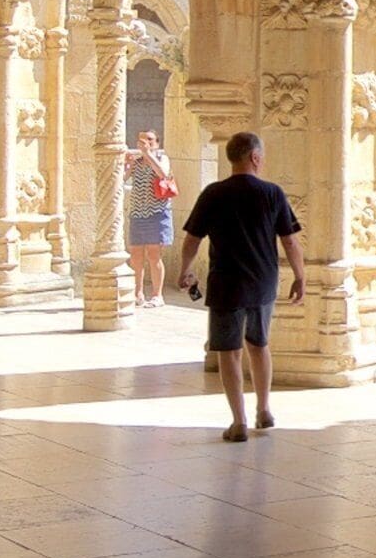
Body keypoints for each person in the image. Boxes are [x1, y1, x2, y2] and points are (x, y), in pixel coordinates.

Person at [175, 131, 303, 442]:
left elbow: (192, 239)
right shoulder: (272, 193)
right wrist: (300, 275)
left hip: (226, 282)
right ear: (255, 158)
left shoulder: (213, 193)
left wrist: (186, 270)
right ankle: (264, 409)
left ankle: (239, 422)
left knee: (229, 353)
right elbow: (289, 239)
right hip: (262, 281)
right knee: (259, 346)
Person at [123, 131, 176, 305]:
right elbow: (122, 179)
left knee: (154, 254)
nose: (146, 143)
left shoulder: (162, 158)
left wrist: (148, 154)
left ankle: (157, 295)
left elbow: (163, 174)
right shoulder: (137, 162)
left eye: (150, 140)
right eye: (142, 140)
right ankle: (137, 293)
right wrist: (126, 164)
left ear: (157, 143)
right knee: (136, 255)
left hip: (157, 213)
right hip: (138, 212)